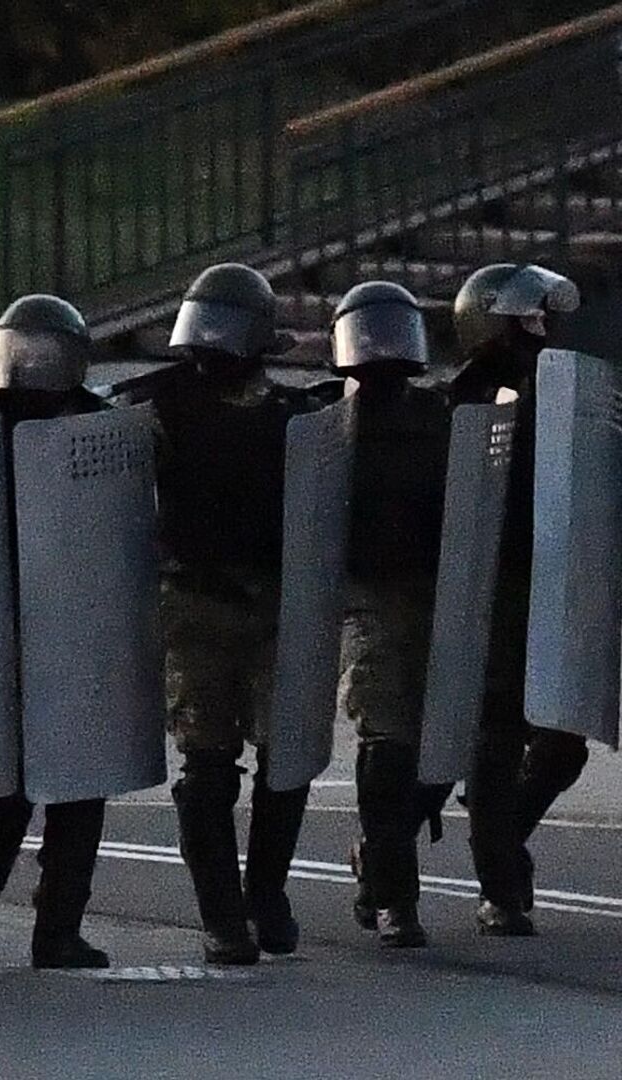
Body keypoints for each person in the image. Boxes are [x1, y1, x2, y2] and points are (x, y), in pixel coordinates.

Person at [143, 264, 330, 964]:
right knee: (208, 759)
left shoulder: (296, 417)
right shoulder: (161, 407)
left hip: (277, 601)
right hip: (194, 603)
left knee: (287, 757)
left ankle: (266, 895)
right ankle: (223, 915)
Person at [0, 294, 115, 970]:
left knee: (78, 783)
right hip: (6, 623)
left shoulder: (103, 430)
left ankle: (57, 927)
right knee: (11, 782)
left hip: (81, 619)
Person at [450, 263, 584, 937]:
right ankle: (498, 882)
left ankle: (502, 841)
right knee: (493, 736)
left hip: (555, 580)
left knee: (563, 743)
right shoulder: (473, 399)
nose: (540, 331)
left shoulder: (566, 388)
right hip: (492, 589)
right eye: (527, 320)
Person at [334, 281, 450, 949]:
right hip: (369, 597)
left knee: (450, 745)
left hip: (439, 590)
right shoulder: (330, 425)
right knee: (386, 745)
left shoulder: (440, 416)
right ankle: (394, 897)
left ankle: (377, 860)